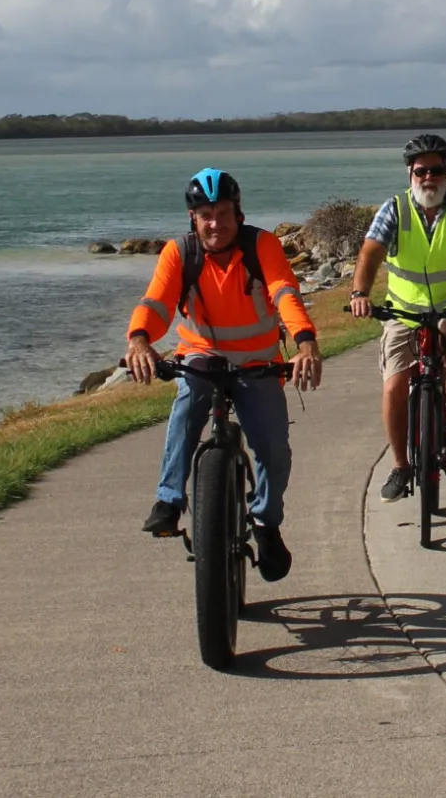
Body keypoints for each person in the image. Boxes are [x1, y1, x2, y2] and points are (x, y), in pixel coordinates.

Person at [127, 168, 323, 583]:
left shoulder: (261, 245)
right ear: (193, 219)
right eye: (205, 215)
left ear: (238, 212)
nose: (215, 223)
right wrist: (140, 340)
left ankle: (266, 522)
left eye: (223, 213)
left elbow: (285, 292)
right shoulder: (180, 252)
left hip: (258, 363)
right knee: (185, 409)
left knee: (273, 447)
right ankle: (168, 501)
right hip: (201, 356)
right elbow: (157, 302)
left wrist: (306, 342)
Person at [349, 135, 446, 503]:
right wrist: (359, 293)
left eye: (437, 170)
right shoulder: (394, 209)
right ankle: (400, 465)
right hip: (404, 309)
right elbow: (370, 253)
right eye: (422, 171)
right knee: (393, 386)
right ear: (410, 173)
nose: (429, 178)